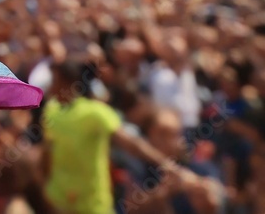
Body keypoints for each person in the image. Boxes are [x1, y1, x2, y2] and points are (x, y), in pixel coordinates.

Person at [42, 59, 191, 214]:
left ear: (69, 83)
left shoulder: (95, 113)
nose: (51, 87)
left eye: (55, 81)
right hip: (58, 201)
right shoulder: (51, 111)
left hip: (91, 204)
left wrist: (165, 163)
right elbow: (47, 153)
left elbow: (130, 143)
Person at [126, 108, 223, 214]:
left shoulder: (199, 167)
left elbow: (219, 194)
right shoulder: (137, 168)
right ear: (148, 136)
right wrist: (166, 192)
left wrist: (200, 188)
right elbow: (130, 209)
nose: (168, 141)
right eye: (162, 134)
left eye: (174, 134)